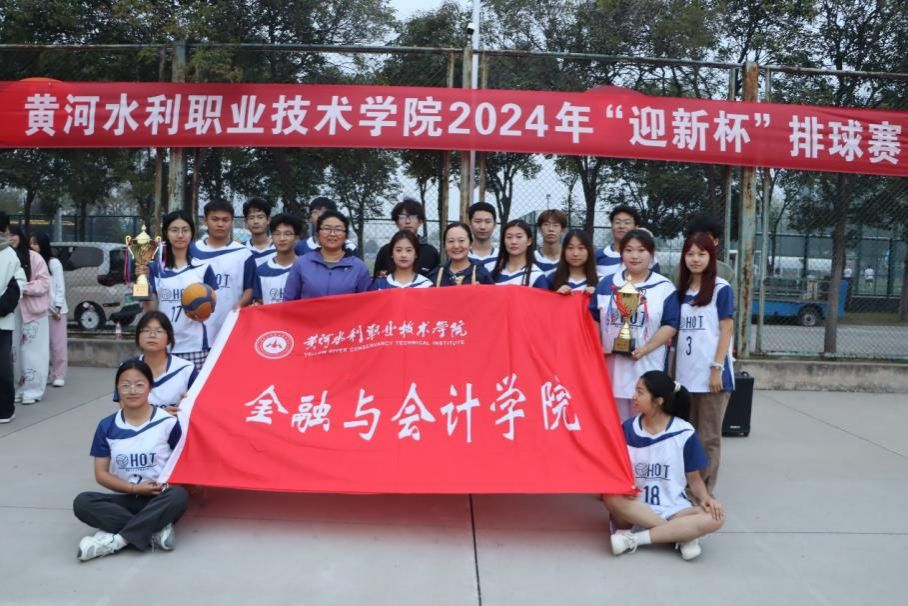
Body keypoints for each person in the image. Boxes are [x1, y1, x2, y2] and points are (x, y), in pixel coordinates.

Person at [72, 359, 189, 562]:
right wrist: (134, 489)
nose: (132, 391)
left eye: (139, 384)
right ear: (117, 389)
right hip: (126, 497)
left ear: (150, 387)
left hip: (159, 498)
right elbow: (101, 474)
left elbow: (184, 463)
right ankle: (154, 530)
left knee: (179, 495)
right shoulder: (107, 426)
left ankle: (117, 541)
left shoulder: (168, 422)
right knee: (83, 502)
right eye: (125, 385)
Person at [602, 371, 724, 561]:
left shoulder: (684, 432)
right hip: (636, 507)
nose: (634, 396)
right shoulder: (627, 429)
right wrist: (621, 487)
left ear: (658, 401)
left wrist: (706, 498)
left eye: (640, 392)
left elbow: (694, 479)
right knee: (610, 497)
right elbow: (614, 471)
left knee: (716, 517)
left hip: (674, 509)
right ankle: (682, 535)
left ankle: (634, 539)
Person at [591, 229, 679, 421]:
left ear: (651, 253)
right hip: (611, 370)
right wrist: (598, 346)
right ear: (621, 253)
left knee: (643, 425)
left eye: (641, 250)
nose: (635, 256)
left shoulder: (664, 287)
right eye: (629, 250)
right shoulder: (606, 284)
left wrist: (645, 349)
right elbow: (594, 317)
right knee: (613, 425)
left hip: (647, 368)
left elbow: (670, 324)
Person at [675, 232, 735, 493]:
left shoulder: (721, 288)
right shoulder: (682, 290)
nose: (695, 259)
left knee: (708, 437)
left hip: (712, 377)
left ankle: (704, 493)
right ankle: (685, 487)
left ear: (711, 256)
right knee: (685, 435)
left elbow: (726, 329)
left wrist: (716, 368)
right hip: (684, 377)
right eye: (690, 254)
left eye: (702, 254)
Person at [146, 210, 219, 371]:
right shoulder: (155, 269)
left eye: (185, 230)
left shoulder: (203, 268)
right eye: (174, 230)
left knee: (194, 387)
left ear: (192, 233)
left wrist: (203, 314)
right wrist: (141, 283)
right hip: (164, 345)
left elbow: (212, 307)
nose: (180, 235)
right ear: (166, 233)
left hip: (195, 345)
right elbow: (149, 310)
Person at [190, 201, 253, 345]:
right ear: (205, 221)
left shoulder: (244, 254)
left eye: (225, 220)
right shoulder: (192, 251)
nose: (220, 224)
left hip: (229, 325)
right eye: (215, 219)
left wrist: (239, 305)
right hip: (195, 327)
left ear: (232, 222)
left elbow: (250, 289)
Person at [114, 312, 197, 413]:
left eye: (159, 331)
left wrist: (186, 406)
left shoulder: (187, 369)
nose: (152, 335)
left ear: (169, 338)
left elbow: (198, 407)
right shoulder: (127, 368)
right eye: (146, 330)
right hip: (140, 424)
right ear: (138, 336)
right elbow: (125, 409)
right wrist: (160, 416)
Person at [283, 210, 371, 300]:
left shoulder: (358, 268)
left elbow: (366, 303)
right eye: (327, 228)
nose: (332, 234)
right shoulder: (302, 264)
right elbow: (289, 300)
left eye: (338, 229)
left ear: (346, 236)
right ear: (317, 234)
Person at [10, 226, 50, 405]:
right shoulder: (6, 256)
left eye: (13, 234)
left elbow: (44, 283)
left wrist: (23, 287)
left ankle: (33, 390)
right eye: (6, 235)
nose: (10, 238)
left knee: (34, 352)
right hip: (12, 310)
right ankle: (19, 387)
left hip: (34, 312)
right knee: (15, 351)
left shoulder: (34, 257)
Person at [30, 232, 67, 387]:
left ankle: (58, 375)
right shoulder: (32, 262)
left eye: (35, 243)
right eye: (30, 244)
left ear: (43, 245)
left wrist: (58, 306)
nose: (32, 246)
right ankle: (43, 374)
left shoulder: (54, 263)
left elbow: (60, 286)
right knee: (41, 346)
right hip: (39, 310)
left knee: (58, 345)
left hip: (56, 311)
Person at [372, 198, 440, 278]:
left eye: (413, 216)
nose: (407, 221)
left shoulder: (431, 252)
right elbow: (377, 278)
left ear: (420, 221)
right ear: (396, 222)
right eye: (402, 217)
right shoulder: (385, 251)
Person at [0, 213, 25, 424]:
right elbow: (18, 285)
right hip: (3, 318)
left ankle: (5, 409)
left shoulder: (9, 254)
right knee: (3, 365)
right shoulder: (11, 254)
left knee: (3, 367)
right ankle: (5, 409)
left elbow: (17, 285)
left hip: (2, 319)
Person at [669, 215, 736, 290]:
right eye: (696, 238)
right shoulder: (677, 272)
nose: (696, 259)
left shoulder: (726, 272)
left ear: (716, 241)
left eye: (706, 239)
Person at [596, 205, 660, 278]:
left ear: (636, 227)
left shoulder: (647, 258)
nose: (621, 226)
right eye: (617, 222)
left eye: (627, 223)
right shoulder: (598, 256)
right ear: (612, 225)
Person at [252, 213, 301, 305]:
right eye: (277, 234)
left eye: (287, 234)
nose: (282, 238)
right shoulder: (262, 271)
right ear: (272, 237)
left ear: (296, 238)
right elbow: (259, 303)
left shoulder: (306, 268)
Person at [428, 223, 494, 287]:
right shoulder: (435, 275)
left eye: (461, 240)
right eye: (451, 241)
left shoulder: (481, 274)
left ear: (471, 244)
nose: (456, 246)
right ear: (444, 245)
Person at [491, 220, 550, 288]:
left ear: (529, 241)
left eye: (519, 237)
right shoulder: (494, 274)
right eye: (509, 237)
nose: (513, 242)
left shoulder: (536, 276)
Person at [294, 196, 359, 257]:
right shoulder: (301, 247)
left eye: (323, 212)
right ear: (311, 218)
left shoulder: (349, 247)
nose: (319, 215)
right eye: (315, 212)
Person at [550, 229, 600, 295]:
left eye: (581, 248)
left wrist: (597, 295)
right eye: (570, 248)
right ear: (563, 250)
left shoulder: (600, 280)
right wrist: (556, 295)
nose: (575, 253)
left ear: (589, 251)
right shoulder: (552, 278)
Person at [242, 197, 276, 267]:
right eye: (251, 218)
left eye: (260, 217)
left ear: (268, 220)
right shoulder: (241, 250)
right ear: (246, 222)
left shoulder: (279, 247)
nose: (256, 221)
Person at [467, 202, 499, 272]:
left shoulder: (502, 257)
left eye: (488, 222)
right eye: (478, 221)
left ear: (495, 224)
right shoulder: (462, 255)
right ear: (470, 223)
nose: (482, 227)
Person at [535, 209, 567, 274]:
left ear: (563, 230)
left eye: (555, 225)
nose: (551, 229)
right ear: (539, 229)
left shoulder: (570, 257)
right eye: (546, 224)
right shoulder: (531, 258)